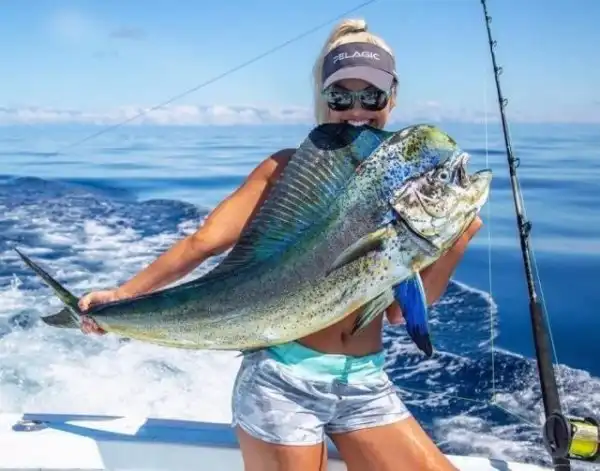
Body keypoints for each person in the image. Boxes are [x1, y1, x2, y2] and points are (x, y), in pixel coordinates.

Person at [78, 18, 482, 471]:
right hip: (281, 381)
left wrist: (456, 240)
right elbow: (202, 242)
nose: (356, 110)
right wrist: (122, 296)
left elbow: (396, 314)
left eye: (371, 96)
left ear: (392, 95)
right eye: (340, 96)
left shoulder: (409, 188)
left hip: (364, 382)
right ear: (322, 97)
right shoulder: (284, 169)